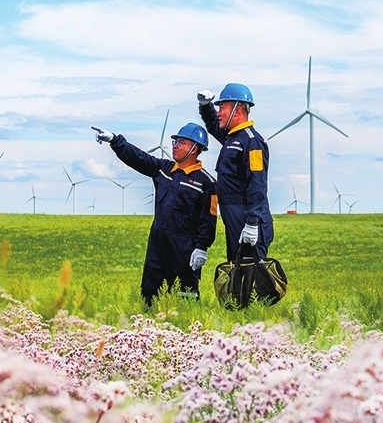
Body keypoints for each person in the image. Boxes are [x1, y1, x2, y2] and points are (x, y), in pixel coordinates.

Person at [92, 121, 218, 307]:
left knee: (185, 298)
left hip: (183, 252)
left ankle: (187, 324)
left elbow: (208, 219)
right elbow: (138, 158)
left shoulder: (206, 183)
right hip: (157, 249)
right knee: (149, 294)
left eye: (181, 142)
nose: (175, 146)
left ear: (194, 148)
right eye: (175, 141)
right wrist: (115, 140)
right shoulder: (163, 169)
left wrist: (202, 247)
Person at [198, 83, 272, 264]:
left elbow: (257, 183)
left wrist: (252, 223)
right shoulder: (232, 138)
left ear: (237, 110)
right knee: (237, 271)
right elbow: (213, 124)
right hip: (234, 219)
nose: (218, 113)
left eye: (222, 107)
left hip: (248, 220)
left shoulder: (252, 142)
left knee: (252, 274)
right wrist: (205, 106)